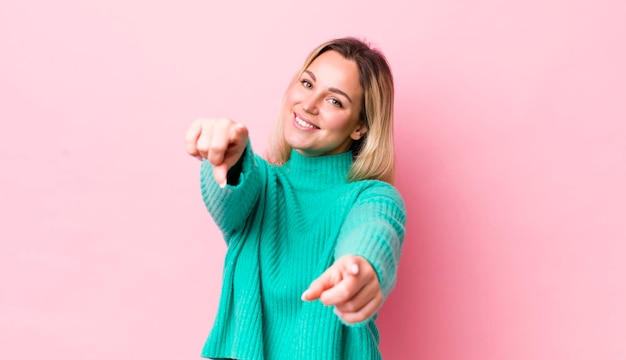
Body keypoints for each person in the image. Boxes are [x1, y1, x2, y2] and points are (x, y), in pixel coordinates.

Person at [185, 37, 407, 360]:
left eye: (335, 101)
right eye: (307, 83)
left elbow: (374, 231)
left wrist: (361, 268)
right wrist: (225, 160)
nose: (309, 104)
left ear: (360, 127)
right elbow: (229, 198)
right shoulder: (260, 183)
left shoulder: (371, 196)